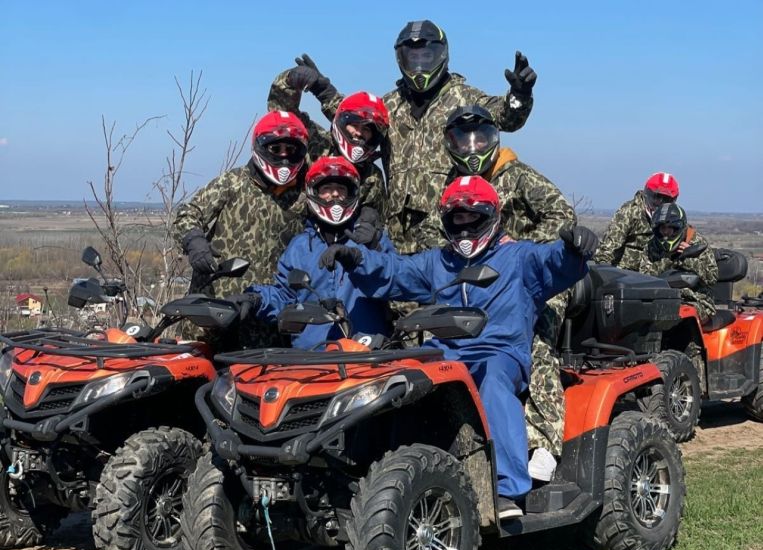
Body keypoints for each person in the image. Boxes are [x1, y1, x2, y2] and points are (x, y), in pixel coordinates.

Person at [319, 176, 597, 518]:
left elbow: (555, 262)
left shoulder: (519, 257)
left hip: (500, 353)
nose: (464, 230)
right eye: (456, 220)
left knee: (494, 383)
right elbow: (396, 272)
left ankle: (507, 490)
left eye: (472, 218)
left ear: (491, 217)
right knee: (398, 382)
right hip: (446, 353)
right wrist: (357, 259)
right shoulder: (439, 262)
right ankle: (373, 472)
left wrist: (573, 248)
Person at [293, 19, 536, 253]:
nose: (419, 65)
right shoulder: (391, 104)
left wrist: (520, 95)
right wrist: (323, 90)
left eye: (426, 56)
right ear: (401, 58)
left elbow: (506, 118)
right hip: (397, 234)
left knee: (444, 291)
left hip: (451, 230)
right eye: (413, 57)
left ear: (440, 55)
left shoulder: (464, 98)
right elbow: (354, 120)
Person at [443, 105, 575, 475]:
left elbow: (562, 215)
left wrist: (524, 249)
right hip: (475, 283)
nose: (472, 149)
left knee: (536, 340)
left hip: (532, 279)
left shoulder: (515, 176)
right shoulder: (452, 183)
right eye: (462, 141)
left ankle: (544, 442)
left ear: (494, 139)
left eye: (480, 139)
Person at [228, 156, 393, 348]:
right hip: (312, 357)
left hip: (366, 352)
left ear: (352, 194)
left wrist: (375, 249)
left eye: (341, 189)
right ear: (314, 193)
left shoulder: (371, 239)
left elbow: (398, 282)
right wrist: (257, 299)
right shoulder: (299, 247)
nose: (334, 195)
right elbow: (286, 295)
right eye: (326, 189)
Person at [174, 110, 311, 298]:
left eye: (290, 150)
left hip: (269, 308)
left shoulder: (305, 193)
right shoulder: (234, 182)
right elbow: (188, 214)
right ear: (260, 147)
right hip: (216, 303)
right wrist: (194, 241)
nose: (283, 156)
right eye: (275, 149)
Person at [267, 67, 389, 218]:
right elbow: (281, 118)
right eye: (354, 125)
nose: (358, 133)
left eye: (366, 129)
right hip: (295, 233)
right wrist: (289, 80)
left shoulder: (372, 177)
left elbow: (379, 221)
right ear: (343, 123)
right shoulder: (316, 144)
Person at [639, 202, 718, 323]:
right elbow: (644, 277)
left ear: (678, 227)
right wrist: (670, 259)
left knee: (679, 318)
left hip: (696, 300)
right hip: (661, 298)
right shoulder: (652, 245)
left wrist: (687, 259)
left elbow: (712, 277)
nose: (665, 232)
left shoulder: (697, 243)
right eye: (662, 228)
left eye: (669, 228)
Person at [595, 172, 680, 270]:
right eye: (656, 197)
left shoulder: (674, 218)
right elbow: (608, 247)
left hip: (654, 274)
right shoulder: (630, 212)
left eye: (665, 199)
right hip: (623, 274)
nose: (659, 203)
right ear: (647, 194)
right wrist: (605, 270)